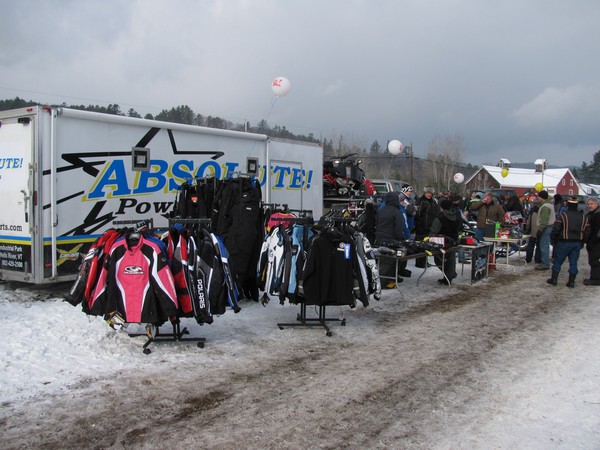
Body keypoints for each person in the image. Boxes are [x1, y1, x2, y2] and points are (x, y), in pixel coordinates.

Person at [547, 197, 589, 287]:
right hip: (577, 242)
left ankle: (554, 279)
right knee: (573, 262)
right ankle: (571, 282)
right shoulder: (583, 217)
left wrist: (553, 240)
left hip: (564, 242)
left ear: (568, 205)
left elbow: (556, 229)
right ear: (577, 205)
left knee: (558, 261)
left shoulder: (563, 215)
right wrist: (583, 241)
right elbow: (587, 230)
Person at [375, 191, 410, 288]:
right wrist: (401, 240)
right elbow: (398, 229)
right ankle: (384, 282)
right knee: (390, 262)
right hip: (391, 240)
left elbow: (377, 224)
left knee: (382, 261)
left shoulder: (380, 210)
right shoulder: (396, 211)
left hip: (379, 239)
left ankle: (384, 279)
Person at [429, 199, 461, 285]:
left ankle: (449, 275)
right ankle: (449, 276)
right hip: (454, 241)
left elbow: (433, 231)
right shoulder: (456, 214)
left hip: (442, 242)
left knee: (438, 260)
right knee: (451, 260)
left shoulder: (440, 217)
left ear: (442, 207)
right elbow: (460, 227)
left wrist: (430, 238)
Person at [414, 186, 439, 268]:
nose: (429, 195)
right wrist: (419, 225)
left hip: (430, 227)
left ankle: (424, 261)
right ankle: (420, 262)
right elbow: (418, 214)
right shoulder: (421, 202)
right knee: (420, 244)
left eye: (430, 193)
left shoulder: (433, 202)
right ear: (425, 193)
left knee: (426, 245)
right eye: (427, 193)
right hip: (421, 227)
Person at [535, 190, 555, 271]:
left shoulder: (545, 207)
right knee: (545, 245)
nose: (537, 198)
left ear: (541, 197)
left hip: (546, 228)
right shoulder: (549, 204)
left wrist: (540, 230)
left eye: (538, 197)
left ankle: (545, 264)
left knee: (544, 246)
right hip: (549, 227)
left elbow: (544, 220)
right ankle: (545, 262)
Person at [583, 197, 600, 286]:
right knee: (592, 259)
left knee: (594, 260)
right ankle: (594, 278)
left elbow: (597, 231)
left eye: (591, 204)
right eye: (588, 204)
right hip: (592, 240)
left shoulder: (598, 214)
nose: (589, 205)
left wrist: (593, 241)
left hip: (596, 241)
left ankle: (596, 279)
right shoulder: (592, 213)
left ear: (597, 204)